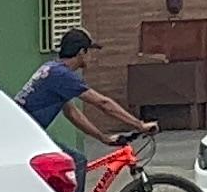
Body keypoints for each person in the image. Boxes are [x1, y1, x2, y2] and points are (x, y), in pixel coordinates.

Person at [17, 30, 146, 152]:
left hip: (23, 132)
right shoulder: (62, 75)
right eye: (89, 52)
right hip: (24, 136)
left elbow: (72, 113)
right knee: (75, 161)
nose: (91, 56)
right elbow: (103, 103)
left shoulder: (52, 68)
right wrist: (139, 124)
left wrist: (103, 138)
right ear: (81, 52)